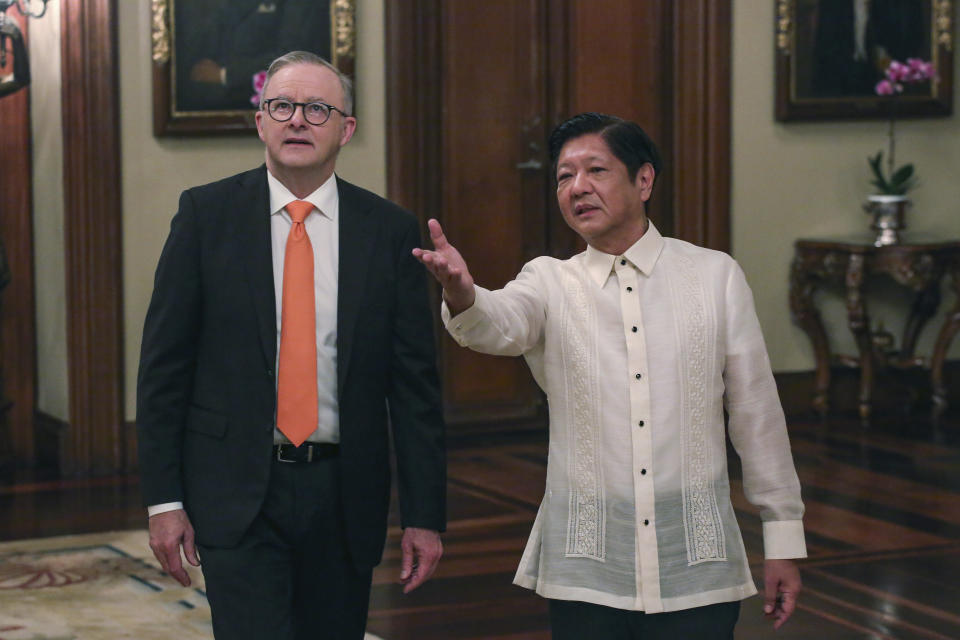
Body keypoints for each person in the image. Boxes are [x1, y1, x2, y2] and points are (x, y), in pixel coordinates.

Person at [413, 113, 806, 639]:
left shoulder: (715, 277)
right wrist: (462, 291)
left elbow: (757, 416)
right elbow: (495, 325)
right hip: (588, 572)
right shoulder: (551, 281)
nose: (577, 188)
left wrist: (782, 541)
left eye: (595, 170)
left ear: (643, 180)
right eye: (563, 176)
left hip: (695, 561)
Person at [137, 51, 446, 640]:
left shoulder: (389, 232)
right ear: (261, 121)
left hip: (344, 492)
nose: (297, 120)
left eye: (317, 109)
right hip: (235, 487)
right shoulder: (206, 216)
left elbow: (414, 388)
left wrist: (425, 517)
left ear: (346, 129)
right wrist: (163, 502)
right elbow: (163, 371)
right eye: (281, 106)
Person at [177, 0, 332, 111]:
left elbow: (292, 55)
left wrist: (225, 75)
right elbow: (205, 43)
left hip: (270, 103)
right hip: (216, 100)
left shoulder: (300, 4)